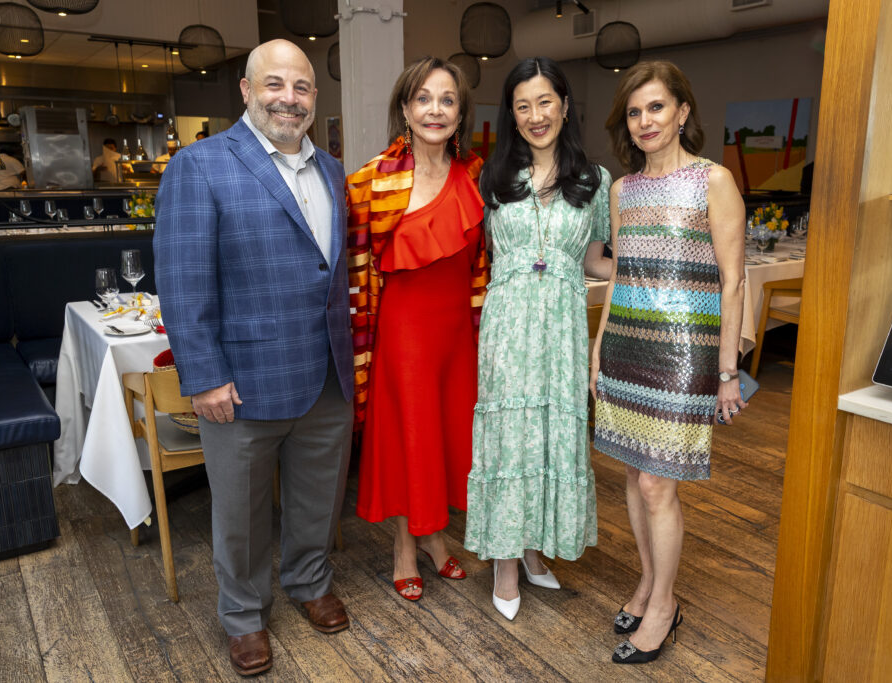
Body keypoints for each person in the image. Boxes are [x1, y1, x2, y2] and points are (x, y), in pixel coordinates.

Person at [154, 39, 353, 677]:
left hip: (326, 372)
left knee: (318, 498)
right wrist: (204, 375)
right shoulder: (200, 165)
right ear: (246, 90)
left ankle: (309, 581)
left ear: (314, 97)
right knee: (239, 512)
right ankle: (243, 615)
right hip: (240, 381)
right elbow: (183, 283)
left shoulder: (333, 170)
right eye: (274, 84)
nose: (288, 99)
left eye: (301, 87)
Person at [592, 60, 746, 664]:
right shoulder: (622, 189)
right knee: (635, 474)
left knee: (659, 481)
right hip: (627, 345)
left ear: (682, 112)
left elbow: (733, 281)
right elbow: (620, 273)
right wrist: (600, 346)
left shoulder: (714, 180)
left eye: (656, 107)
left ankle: (663, 604)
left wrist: (727, 372)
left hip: (686, 352)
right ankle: (648, 582)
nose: (645, 121)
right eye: (634, 112)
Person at [464, 57, 612, 621]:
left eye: (545, 101)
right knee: (510, 439)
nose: (535, 115)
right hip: (508, 326)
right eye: (522, 106)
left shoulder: (595, 181)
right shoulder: (491, 179)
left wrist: (648, 270)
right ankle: (506, 561)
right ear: (512, 114)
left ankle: (533, 549)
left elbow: (596, 261)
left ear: (565, 106)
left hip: (564, 328)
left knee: (550, 436)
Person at [347, 56, 487, 601]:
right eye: (423, 98)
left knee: (446, 440)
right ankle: (405, 547)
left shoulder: (475, 175)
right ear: (405, 110)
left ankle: (434, 535)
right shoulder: (372, 181)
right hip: (404, 335)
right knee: (412, 438)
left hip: (458, 334)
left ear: (461, 113)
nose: (435, 110)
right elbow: (354, 269)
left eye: (447, 100)